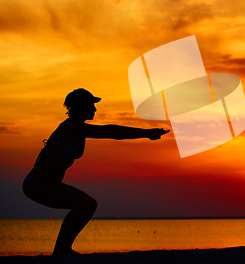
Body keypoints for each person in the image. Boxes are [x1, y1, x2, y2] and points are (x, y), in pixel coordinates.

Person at [23, 88, 169, 257]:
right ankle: (61, 251)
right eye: (91, 105)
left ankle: (62, 250)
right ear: (80, 106)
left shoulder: (79, 129)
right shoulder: (70, 127)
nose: (95, 109)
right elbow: (109, 131)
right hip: (37, 185)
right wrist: (146, 133)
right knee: (83, 205)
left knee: (89, 204)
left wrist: (146, 134)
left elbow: (107, 132)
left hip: (48, 184)